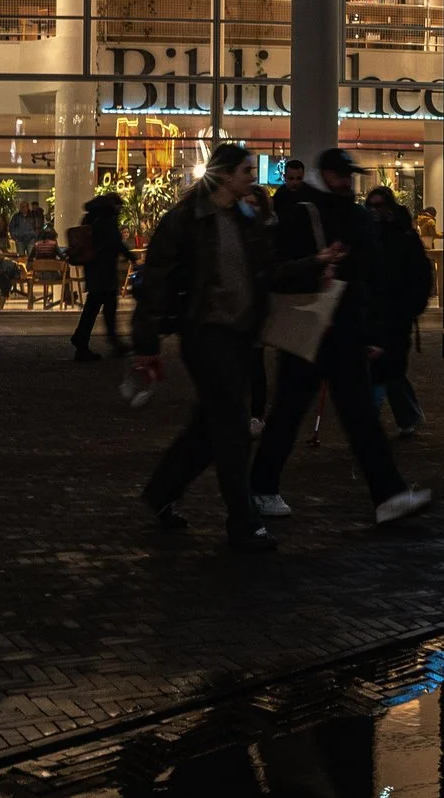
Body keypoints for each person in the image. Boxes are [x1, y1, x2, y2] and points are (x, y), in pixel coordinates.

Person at [132, 143, 335, 549]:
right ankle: (243, 522)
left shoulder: (246, 217)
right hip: (205, 334)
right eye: (246, 170)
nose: (252, 178)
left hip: (240, 336)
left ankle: (161, 491)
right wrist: (146, 342)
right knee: (231, 429)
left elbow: (267, 272)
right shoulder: (186, 220)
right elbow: (155, 280)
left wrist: (314, 263)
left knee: (210, 428)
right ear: (224, 176)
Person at [250, 149, 432, 525]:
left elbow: (368, 277)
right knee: (323, 413)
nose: (346, 181)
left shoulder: (333, 215)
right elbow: (285, 270)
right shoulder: (320, 215)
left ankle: (386, 495)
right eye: (340, 174)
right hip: (326, 324)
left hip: (333, 327)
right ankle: (385, 496)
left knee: (337, 414)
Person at [361, 183, 435, 438]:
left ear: (389, 208)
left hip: (395, 312)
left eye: (379, 206)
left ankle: (371, 420)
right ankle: (403, 416)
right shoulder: (365, 237)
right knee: (385, 368)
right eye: (370, 206)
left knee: (387, 367)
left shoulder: (403, 237)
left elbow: (420, 273)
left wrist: (412, 305)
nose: (374, 211)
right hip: (372, 312)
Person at [68, 192, 132, 360]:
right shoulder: (107, 218)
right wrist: (132, 257)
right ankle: (86, 340)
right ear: (113, 205)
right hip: (104, 270)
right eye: (119, 206)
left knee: (96, 306)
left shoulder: (90, 217)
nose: (120, 210)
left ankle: (88, 340)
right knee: (104, 307)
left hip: (93, 268)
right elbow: (115, 242)